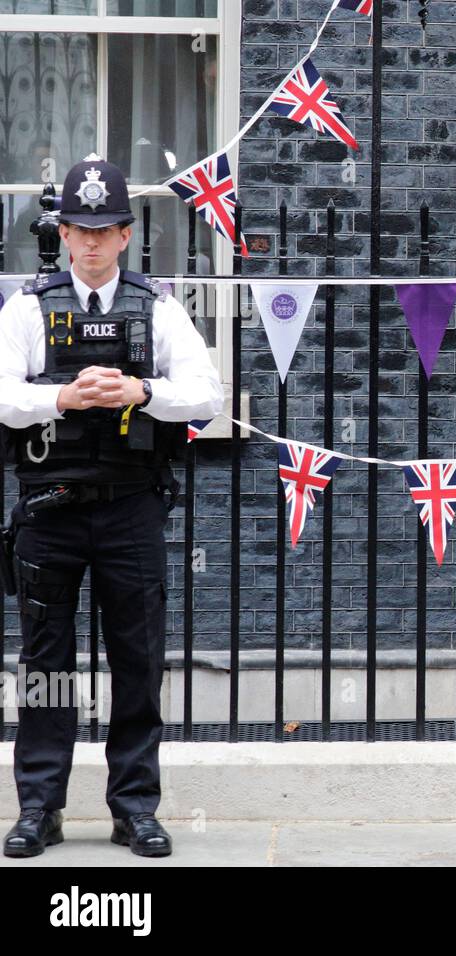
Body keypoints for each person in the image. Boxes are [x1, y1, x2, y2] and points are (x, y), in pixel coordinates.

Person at [0, 153, 224, 857]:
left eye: (105, 229)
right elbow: (1, 395)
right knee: (44, 668)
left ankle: (134, 809)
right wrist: (61, 397)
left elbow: (209, 394)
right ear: (62, 234)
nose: (91, 242)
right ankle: (39, 808)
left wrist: (142, 392)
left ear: (126, 233)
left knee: (137, 662)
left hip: (131, 508)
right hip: (50, 510)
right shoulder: (28, 307)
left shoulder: (156, 308)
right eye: (78, 229)